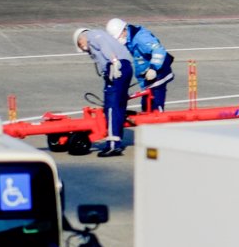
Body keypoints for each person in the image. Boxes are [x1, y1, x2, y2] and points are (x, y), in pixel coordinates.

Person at [74, 25, 132, 155]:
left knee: (111, 107)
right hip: (125, 67)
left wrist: (114, 61)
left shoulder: (92, 36)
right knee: (120, 106)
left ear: (81, 38)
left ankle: (112, 145)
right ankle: (116, 141)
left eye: (80, 44)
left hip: (116, 67)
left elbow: (104, 45)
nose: (83, 49)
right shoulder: (97, 36)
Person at [108, 17, 174, 112]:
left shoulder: (140, 38)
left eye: (118, 37)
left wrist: (153, 68)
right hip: (148, 77)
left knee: (154, 106)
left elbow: (159, 50)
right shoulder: (129, 39)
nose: (119, 40)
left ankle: (158, 120)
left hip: (158, 73)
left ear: (123, 31)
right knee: (146, 106)